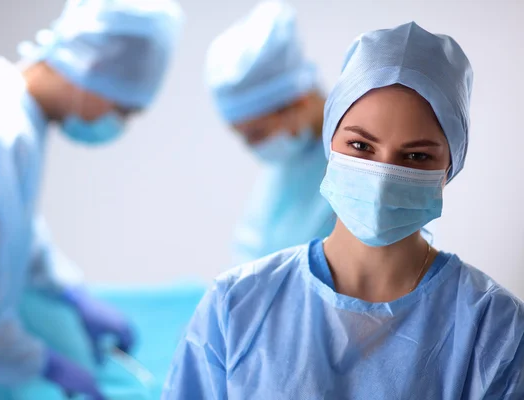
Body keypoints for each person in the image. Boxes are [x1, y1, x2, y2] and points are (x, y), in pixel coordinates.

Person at [162, 21, 524, 399]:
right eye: (361, 147)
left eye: (416, 156)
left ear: (449, 167)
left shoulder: (494, 331)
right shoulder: (235, 306)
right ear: (330, 141)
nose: (383, 176)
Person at [0, 0, 183, 399]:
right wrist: (44, 363)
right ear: (96, 70)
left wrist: (69, 292)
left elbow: (12, 233)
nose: (119, 124)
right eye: (124, 110)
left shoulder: (10, 115)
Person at [205, 1, 336, 264]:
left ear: (298, 102)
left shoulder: (360, 162)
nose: (252, 146)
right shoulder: (287, 166)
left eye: (256, 133)